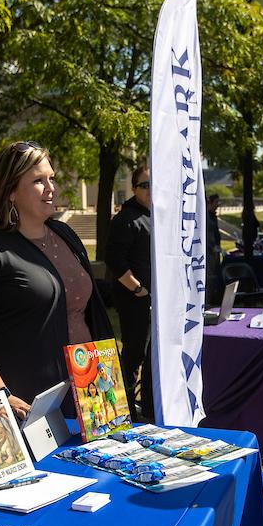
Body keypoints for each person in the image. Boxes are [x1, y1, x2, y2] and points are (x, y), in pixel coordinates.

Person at [0, 141, 113, 421]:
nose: (51, 188)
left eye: (52, 178)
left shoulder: (65, 234)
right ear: (10, 191)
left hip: (86, 388)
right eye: (38, 180)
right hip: (23, 404)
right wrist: (1, 396)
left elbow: (83, 302)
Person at [105, 165, 153, 419]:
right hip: (134, 300)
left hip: (152, 301)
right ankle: (123, 410)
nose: (150, 190)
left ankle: (145, 406)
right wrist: (138, 289)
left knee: (149, 354)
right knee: (134, 353)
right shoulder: (126, 219)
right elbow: (114, 259)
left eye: (153, 184)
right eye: (144, 185)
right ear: (134, 189)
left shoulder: (153, 215)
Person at [205, 193, 224, 305]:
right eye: (216, 202)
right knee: (210, 277)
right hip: (210, 252)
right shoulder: (207, 217)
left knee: (215, 276)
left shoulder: (213, 216)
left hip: (215, 252)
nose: (218, 204)